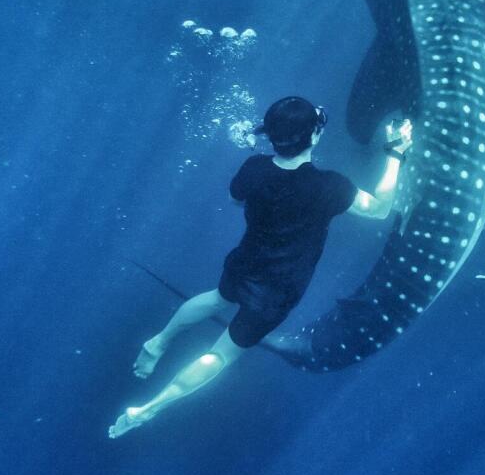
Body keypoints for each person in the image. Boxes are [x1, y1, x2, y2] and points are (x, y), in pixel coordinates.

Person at [108, 96, 412, 438]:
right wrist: (395, 153)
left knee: (216, 298)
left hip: (244, 263)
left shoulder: (254, 167)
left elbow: (235, 199)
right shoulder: (330, 186)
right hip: (277, 291)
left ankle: (159, 342)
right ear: (314, 136)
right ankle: (148, 408)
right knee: (221, 355)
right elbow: (379, 209)